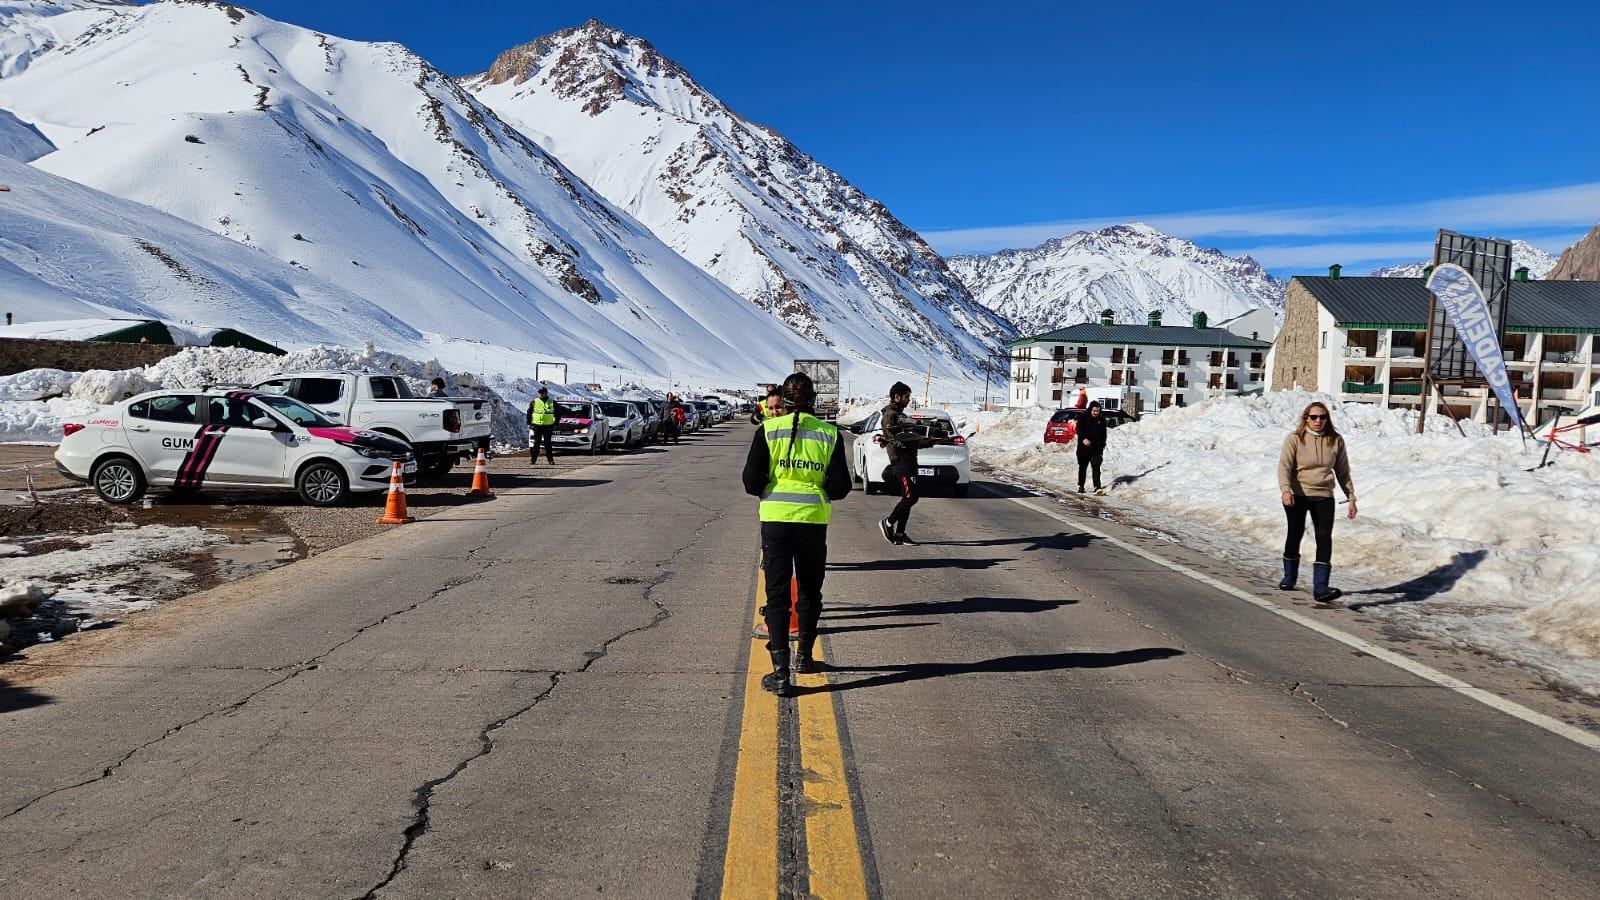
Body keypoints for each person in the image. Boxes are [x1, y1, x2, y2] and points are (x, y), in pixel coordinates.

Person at [741, 372, 851, 696]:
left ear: (784, 402)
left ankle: (780, 673)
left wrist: (772, 489)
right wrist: (817, 488)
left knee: (777, 597)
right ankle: (804, 656)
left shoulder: (768, 430)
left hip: (775, 520)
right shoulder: (830, 434)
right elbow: (841, 486)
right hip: (813, 522)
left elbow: (750, 480)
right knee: (809, 591)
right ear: (814, 399)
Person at [1278, 401, 1357, 603]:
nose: (1318, 421)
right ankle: (1289, 576)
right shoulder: (1295, 439)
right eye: (1313, 417)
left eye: (1322, 417)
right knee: (1295, 533)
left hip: (1323, 495)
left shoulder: (1335, 440)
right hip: (1298, 493)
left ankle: (1321, 587)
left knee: (1324, 537)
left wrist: (1351, 497)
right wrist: (1286, 490)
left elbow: (1342, 471)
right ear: (1306, 419)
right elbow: (1284, 467)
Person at [878, 381, 933, 545]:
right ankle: (888, 523)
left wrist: (927, 438)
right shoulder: (890, 415)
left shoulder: (900, 414)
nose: (909, 400)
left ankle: (900, 534)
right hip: (901, 461)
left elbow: (909, 433)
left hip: (909, 460)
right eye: (906, 397)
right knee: (910, 497)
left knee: (908, 497)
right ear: (897, 397)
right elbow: (897, 439)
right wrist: (921, 441)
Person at [1076, 401, 1107, 495]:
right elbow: (1079, 429)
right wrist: (1083, 439)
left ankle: (1097, 487)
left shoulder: (1101, 420)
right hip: (1083, 448)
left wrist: (1102, 446)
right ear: (1090, 410)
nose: (1095, 413)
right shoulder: (1083, 417)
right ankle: (1081, 486)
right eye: (1094, 411)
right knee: (1083, 467)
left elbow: (1103, 434)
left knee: (1096, 466)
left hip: (1096, 448)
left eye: (1097, 411)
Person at [528, 386, 556, 465]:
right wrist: (529, 423)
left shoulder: (552, 402)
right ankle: (533, 459)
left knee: (548, 444)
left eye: (542, 393)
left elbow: (558, 413)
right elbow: (529, 413)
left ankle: (550, 460)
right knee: (536, 443)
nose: (541, 394)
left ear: (546, 393)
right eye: (540, 393)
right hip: (537, 426)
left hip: (548, 426)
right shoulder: (534, 401)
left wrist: (556, 423)